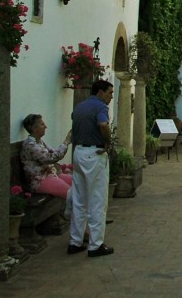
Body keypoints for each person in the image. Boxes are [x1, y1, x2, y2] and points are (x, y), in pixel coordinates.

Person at [68, 79, 114, 257]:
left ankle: (75, 241)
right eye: (109, 92)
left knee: (79, 200)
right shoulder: (100, 107)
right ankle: (95, 245)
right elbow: (103, 124)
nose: (111, 97)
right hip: (94, 154)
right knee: (97, 200)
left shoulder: (80, 107)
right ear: (100, 92)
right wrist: (108, 142)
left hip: (78, 152)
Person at [19, 113, 73, 216]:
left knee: (79, 183)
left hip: (50, 175)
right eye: (42, 124)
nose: (46, 127)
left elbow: (53, 153)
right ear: (34, 128)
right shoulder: (30, 145)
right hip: (40, 180)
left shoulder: (39, 142)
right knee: (72, 194)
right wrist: (66, 142)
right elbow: (50, 158)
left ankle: (82, 220)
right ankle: (76, 224)